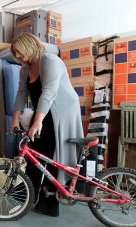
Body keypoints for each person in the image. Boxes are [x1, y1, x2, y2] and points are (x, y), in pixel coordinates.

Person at [9, 33, 83, 217]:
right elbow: (20, 94)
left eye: (18, 52)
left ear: (28, 46)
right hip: (44, 111)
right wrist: (14, 119)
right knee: (34, 150)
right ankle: (29, 192)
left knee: (51, 153)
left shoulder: (50, 61)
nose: (17, 56)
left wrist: (37, 122)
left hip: (62, 112)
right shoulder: (25, 70)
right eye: (15, 53)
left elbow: (48, 93)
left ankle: (50, 203)